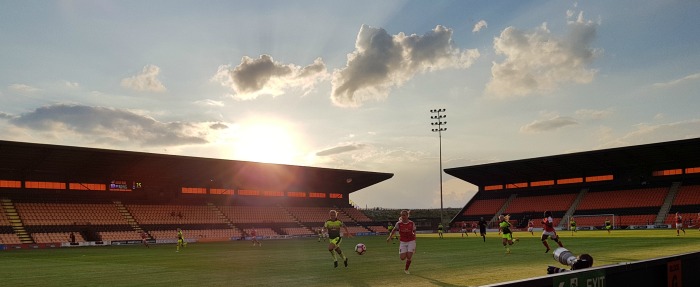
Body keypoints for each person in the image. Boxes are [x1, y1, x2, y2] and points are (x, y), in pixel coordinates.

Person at [386, 210, 416, 274]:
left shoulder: (411, 223)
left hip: (411, 241)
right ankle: (406, 252)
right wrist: (390, 237)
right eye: (402, 215)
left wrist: (414, 235)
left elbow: (414, 230)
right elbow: (394, 230)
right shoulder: (398, 224)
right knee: (402, 258)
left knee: (409, 256)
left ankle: (406, 269)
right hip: (403, 242)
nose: (403, 216)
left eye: (404, 215)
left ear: (407, 216)